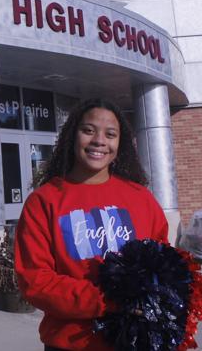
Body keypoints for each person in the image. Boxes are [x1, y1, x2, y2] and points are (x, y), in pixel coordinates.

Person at [15, 98, 168, 351]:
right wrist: (110, 299)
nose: (99, 140)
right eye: (88, 130)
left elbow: (162, 261)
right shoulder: (43, 201)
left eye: (110, 134)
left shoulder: (141, 197)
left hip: (136, 340)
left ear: (120, 144)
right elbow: (36, 281)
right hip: (70, 343)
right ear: (72, 136)